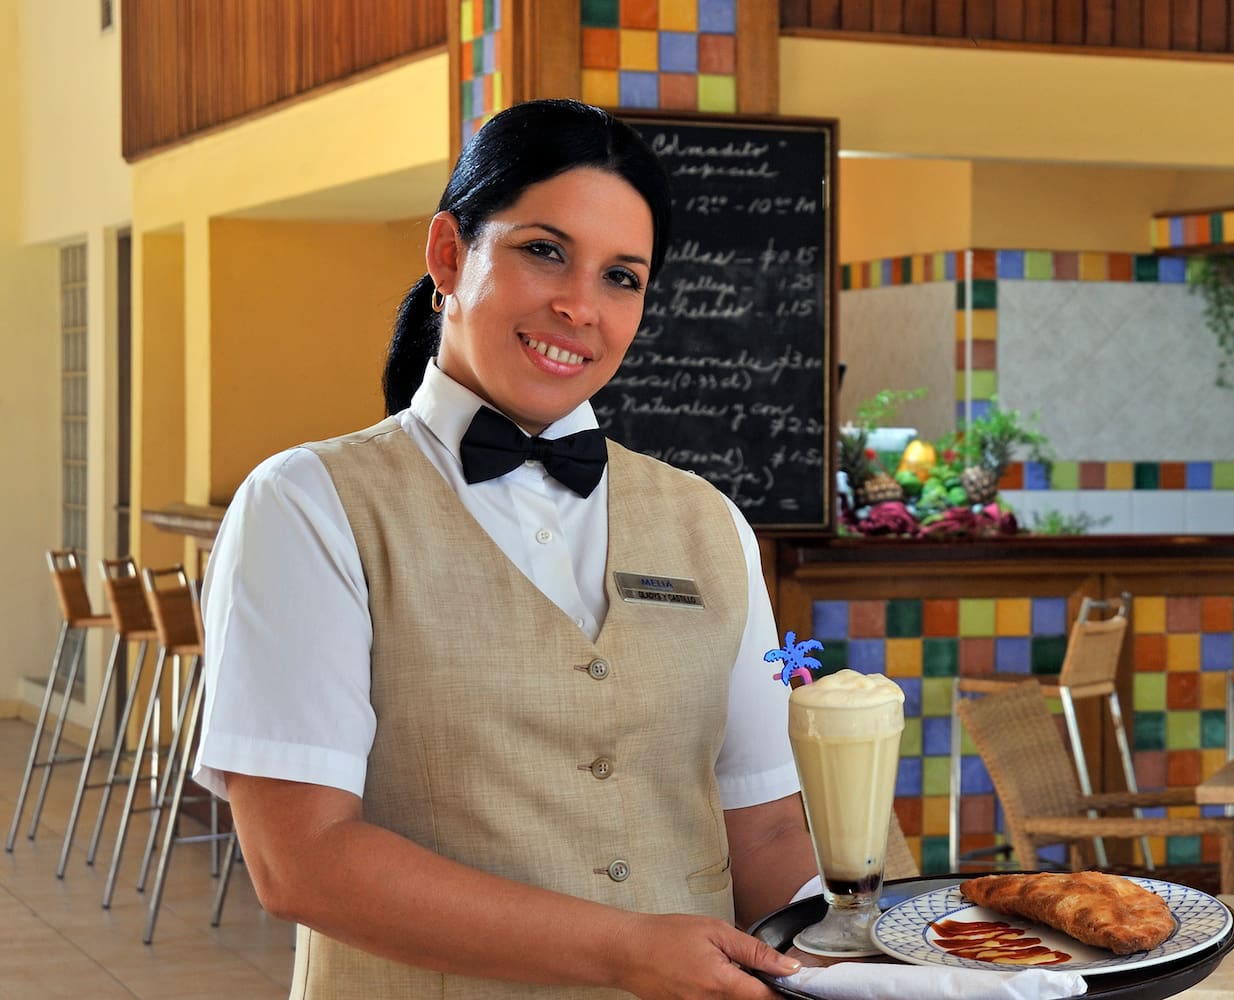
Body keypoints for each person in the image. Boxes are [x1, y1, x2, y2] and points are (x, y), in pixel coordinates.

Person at [192, 99, 815, 999]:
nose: (579, 305)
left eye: (622, 277)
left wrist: (861, 963)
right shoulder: (310, 505)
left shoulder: (708, 522)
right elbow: (304, 861)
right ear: (449, 255)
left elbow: (761, 833)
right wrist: (624, 951)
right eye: (544, 251)